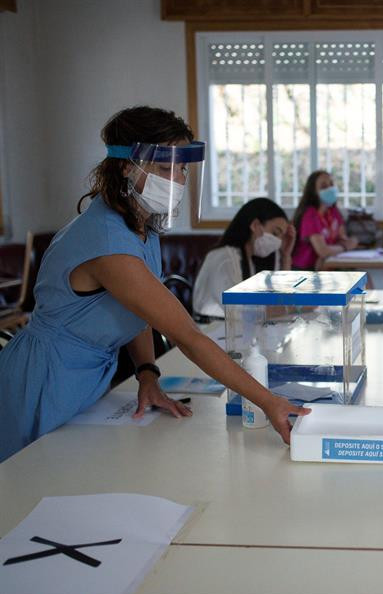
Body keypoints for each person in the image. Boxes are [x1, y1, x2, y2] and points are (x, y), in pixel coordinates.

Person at [0, 106, 308, 463]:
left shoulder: (140, 225)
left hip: (84, 380)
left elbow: (137, 311)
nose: (176, 180)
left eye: (182, 169)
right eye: (165, 168)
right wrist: (269, 402)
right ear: (126, 166)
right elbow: (187, 336)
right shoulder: (107, 241)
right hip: (42, 381)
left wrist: (147, 373)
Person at [193, 197, 295, 319]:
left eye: (281, 237)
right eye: (275, 233)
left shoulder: (248, 259)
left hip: (230, 330)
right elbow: (238, 310)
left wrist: (286, 255)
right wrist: (294, 307)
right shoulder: (224, 258)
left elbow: (279, 296)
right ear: (255, 225)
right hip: (210, 330)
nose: (278, 241)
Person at [291, 170, 358, 270]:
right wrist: (345, 247)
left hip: (329, 262)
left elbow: (342, 239)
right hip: (306, 269)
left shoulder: (333, 211)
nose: (330, 188)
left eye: (331, 184)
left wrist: (346, 243)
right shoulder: (310, 215)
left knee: (364, 277)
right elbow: (322, 251)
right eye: (323, 186)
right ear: (314, 191)